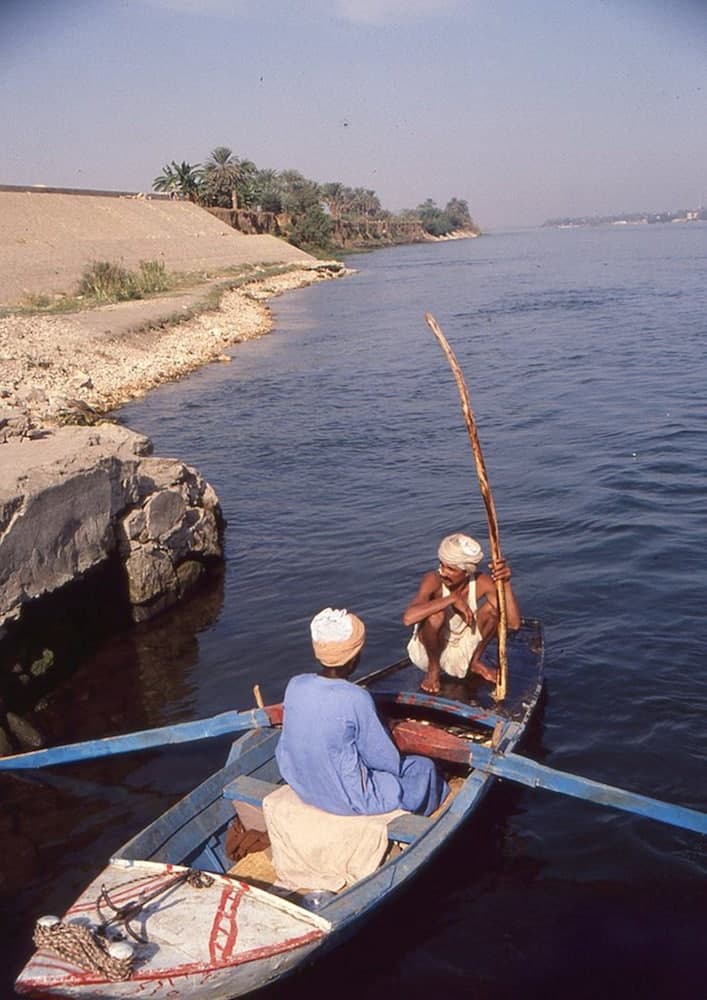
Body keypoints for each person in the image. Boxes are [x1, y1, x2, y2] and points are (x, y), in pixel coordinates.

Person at [276, 607, 448, 817]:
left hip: (302, 785)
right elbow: (384, 760)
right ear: (353, 659)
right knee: (424, 768)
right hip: (349, 799)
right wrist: (388, 732)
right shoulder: (356, 697)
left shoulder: (296, 684)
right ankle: (424, 814)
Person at [403, 532, 521, 695]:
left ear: (467, 572)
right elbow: (408, 618)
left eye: (450, 569)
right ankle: (433, 670)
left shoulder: (481, 582)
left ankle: (474, 662)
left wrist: (505, 582)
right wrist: (451, 599)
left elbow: (513, 624)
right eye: (441, 565)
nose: (443, 572)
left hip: (461, 649)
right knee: (435, 615)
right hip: (429, 653)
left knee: (493, 611)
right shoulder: (433, 579)